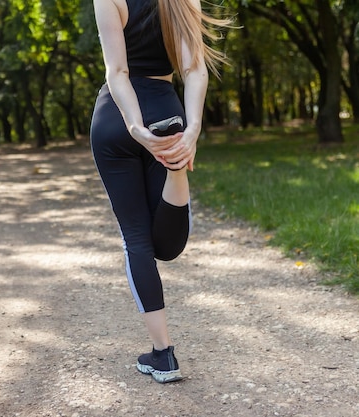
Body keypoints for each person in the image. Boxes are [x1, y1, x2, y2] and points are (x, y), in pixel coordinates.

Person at [90, 0, 230, 383]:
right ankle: (177, 167)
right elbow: (194, 69)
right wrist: (192, 129)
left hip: (115, 120)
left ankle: (163, 355)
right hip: (166, 110)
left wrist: (135, 128)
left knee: (137, 238)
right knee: (166, 247)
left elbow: (117, 71)